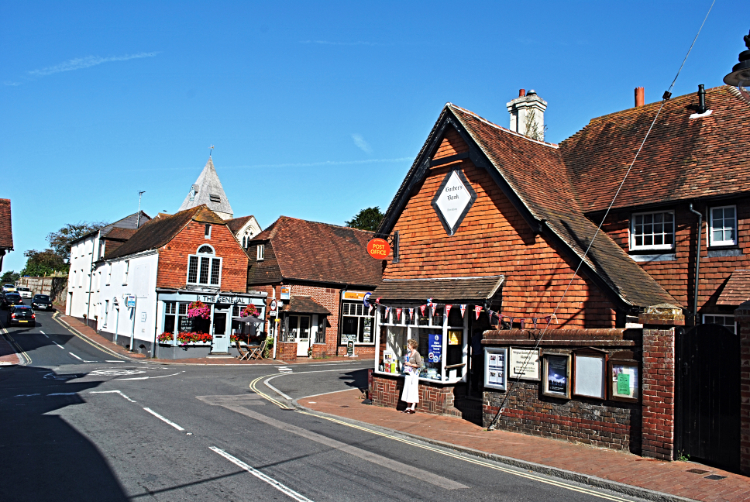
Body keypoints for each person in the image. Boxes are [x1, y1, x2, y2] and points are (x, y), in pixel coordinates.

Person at [401, 338, 422, 414]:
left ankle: (413, 406)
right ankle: (408, 406)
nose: (408, 346)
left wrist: (411, 364)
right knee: (407, 389)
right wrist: (405, 364)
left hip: (414, 374)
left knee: (413, 389)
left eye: (409, 344)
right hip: (408, 373)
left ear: (412, 345)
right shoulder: (408, 353)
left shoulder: (416, 354)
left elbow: (419, 365)